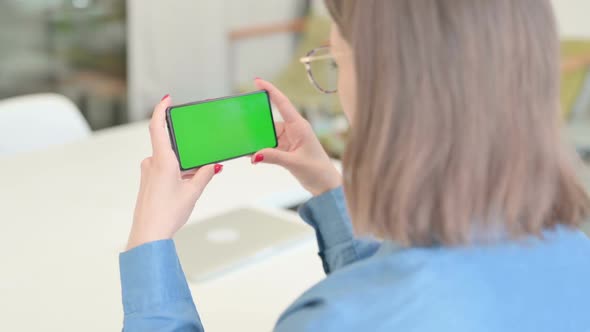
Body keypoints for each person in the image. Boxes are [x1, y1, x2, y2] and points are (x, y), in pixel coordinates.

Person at [119, 1, 590, 331]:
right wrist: (325, 182)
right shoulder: (576, 253)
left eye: (333, 63)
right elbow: (396, 283)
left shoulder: (331, 320)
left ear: (384, 86)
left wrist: (149, 241)